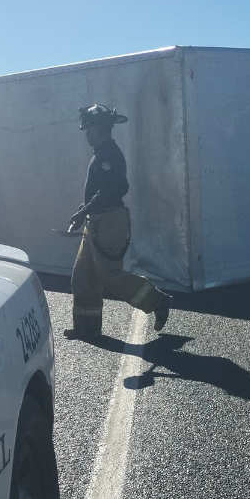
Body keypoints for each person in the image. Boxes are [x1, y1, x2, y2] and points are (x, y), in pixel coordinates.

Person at [66, 103, 171, 340]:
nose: (87, 134)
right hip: (97, 220)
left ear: (100, 128)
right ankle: (87, 329)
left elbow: (115, 189)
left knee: (110, 276)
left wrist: (85, 211)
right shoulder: (102, 153)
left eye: (89, 129)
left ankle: (157, 301)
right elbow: (100, 192)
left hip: (110, 222)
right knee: (83, 276)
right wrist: (84, 211)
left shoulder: (109, 155)